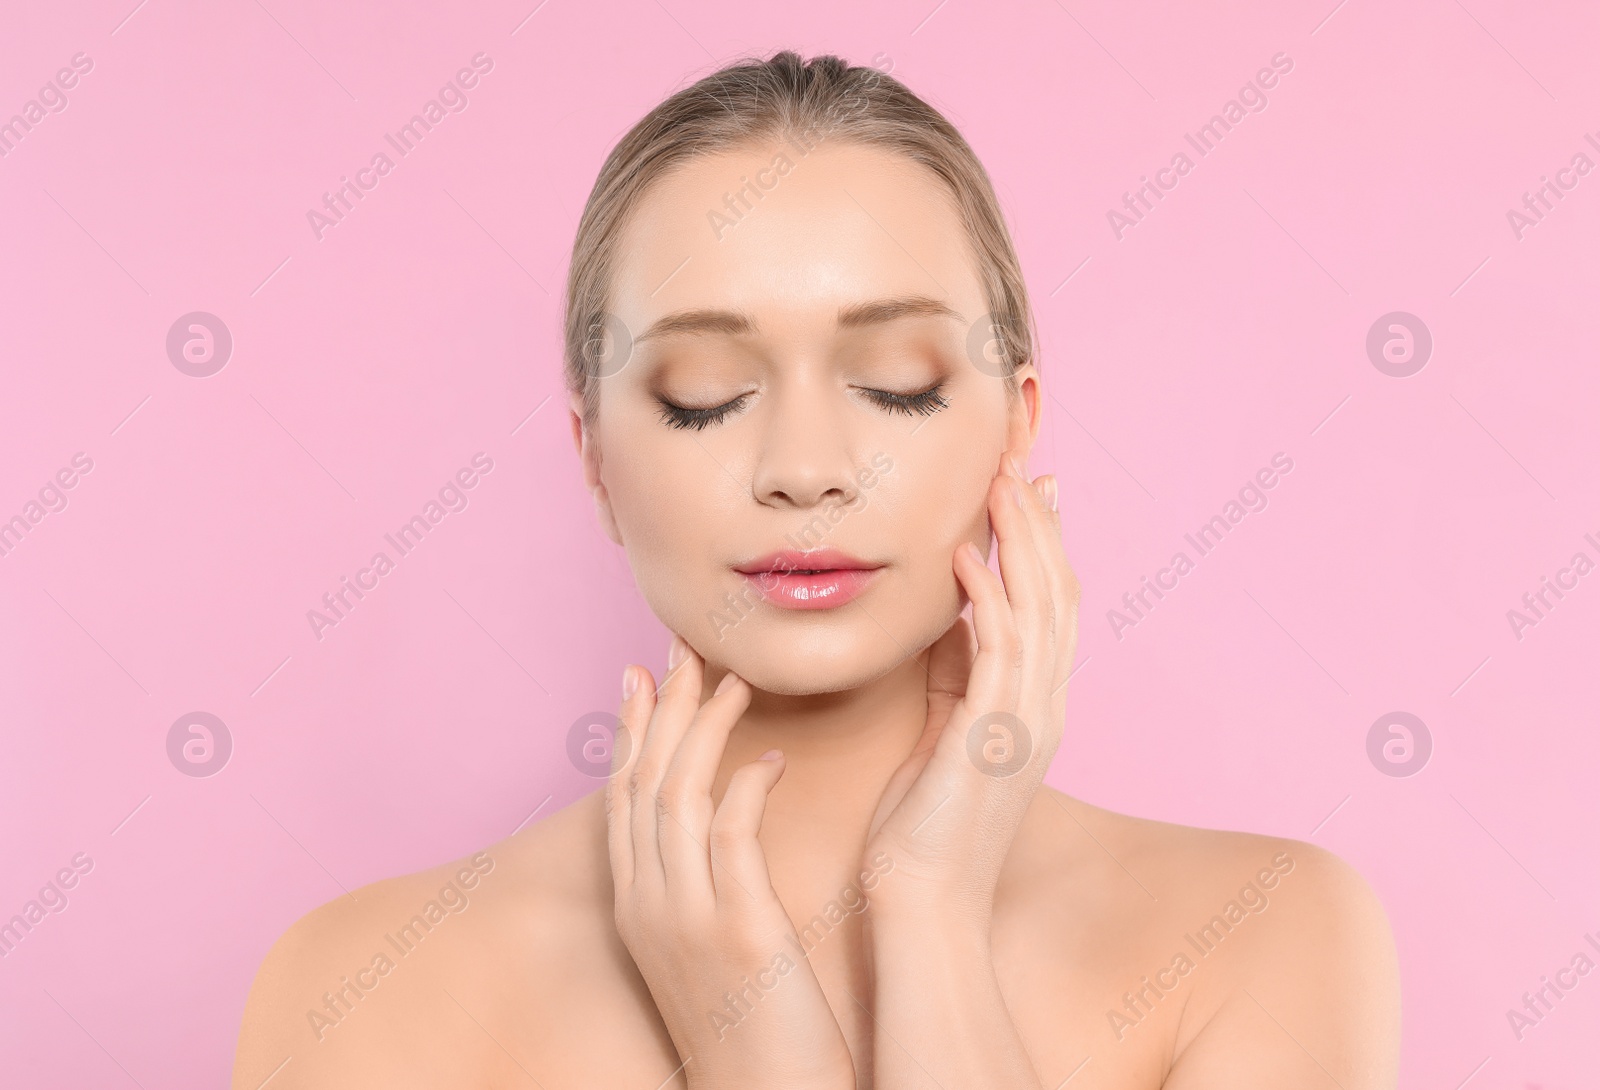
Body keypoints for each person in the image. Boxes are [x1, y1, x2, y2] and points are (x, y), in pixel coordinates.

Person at [232, 50, 1400, 1089]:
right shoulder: (364, 989)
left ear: (1013, 424)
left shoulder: (1265, 935)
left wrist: (927, 917)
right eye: (704, 395)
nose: (804, 469)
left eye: (896, 383)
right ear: (592, 456)